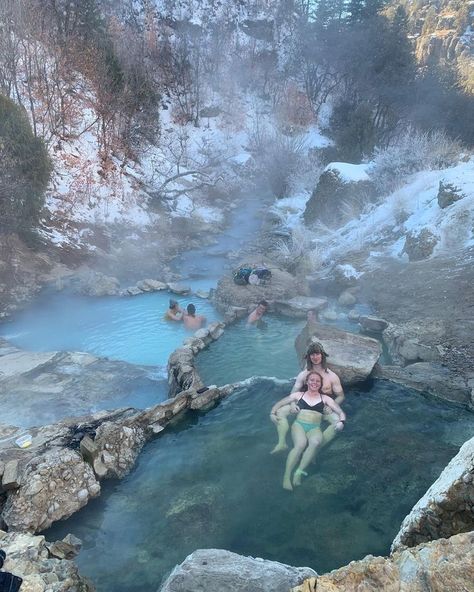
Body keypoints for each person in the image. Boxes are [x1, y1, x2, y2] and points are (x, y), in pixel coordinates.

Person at [270, 371, 345, 490]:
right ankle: (286, 476)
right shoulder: (298, 395)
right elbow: (280, 404)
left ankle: (298, 472)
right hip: (299, 425)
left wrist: (342, 422)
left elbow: (340, 412)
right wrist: (273, 413)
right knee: (300, 445)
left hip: (314, 427)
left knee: (315, 442)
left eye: (317, 381)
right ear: (307, 382)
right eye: (312, 380)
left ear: (320, 384)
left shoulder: (325, 399)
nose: (314, 383)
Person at [271, 341, 344, 454]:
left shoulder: (332, 376)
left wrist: (332, 406)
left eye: (317, 354)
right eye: (312, 354)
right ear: (309, 357)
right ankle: (281, 443)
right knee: (280, 412)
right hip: (303, 405)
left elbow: (340, 396)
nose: (315, 357)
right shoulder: (304, 374)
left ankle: (314, 450)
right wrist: (293, 405)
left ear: (322, 355)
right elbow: (293, 394)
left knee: (337, 422)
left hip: (322, 407)